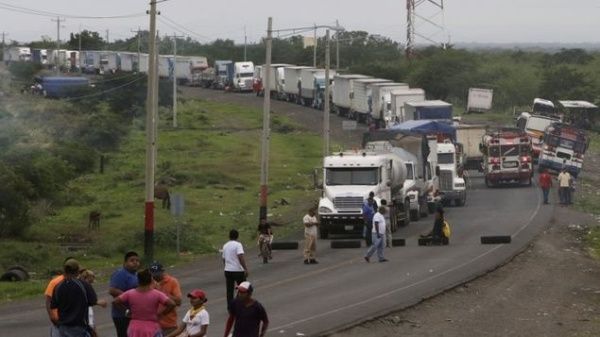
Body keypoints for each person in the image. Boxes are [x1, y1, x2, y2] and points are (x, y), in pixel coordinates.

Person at [113, 269, 176, 337]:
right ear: (151, 280)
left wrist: (126, 311)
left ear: (138, 280)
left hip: (134, 328)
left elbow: (115, 302)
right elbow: (172, 304)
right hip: (151, 327)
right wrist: (161, 314)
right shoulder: (157, 294)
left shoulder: (130, 293)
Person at [51, 259, 98, 337]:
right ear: (77, 271)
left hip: (63, 328)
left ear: (65, 271)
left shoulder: (58, 287)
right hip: (79, 328)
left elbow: (53, 305)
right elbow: (93, 301)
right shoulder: (83, 285)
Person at [109, 251, 141, 337]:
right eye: (132, 260)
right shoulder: (121, 274)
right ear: (125, 262)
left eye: (137, 261)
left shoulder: (136, 274)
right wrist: (129, 296)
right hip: (122, 314)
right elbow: (112, 290)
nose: (135, 263)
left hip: (133, 313)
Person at [150, 261, 183, 336]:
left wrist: (162, 293)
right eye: (152, 274)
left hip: (169, 324)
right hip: (152, 325)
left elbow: (178, 301)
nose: (155, 276)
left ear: (162, 271)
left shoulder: (172, 281)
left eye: (157, 274)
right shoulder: (148, 283)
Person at [45, 257, 74, 337]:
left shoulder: (77, 282)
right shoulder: (55, 282)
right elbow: (48, 300)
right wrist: (52, 317)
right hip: (58, 321)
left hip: (73, 322)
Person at [222, 229, 249, 307]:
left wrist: (226, 266)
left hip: (228, 270)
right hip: (237, 270)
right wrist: (245, 268)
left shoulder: (225, 245)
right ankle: (240, 304)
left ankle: (230, 307)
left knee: (229, 290)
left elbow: (223, 258)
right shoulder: (238, 245)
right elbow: (240, 256)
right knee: (243, 288)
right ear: (237, 236)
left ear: (229, 236)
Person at [79, 269, 108, 337]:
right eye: (92, 278)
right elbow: (90, 300)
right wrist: (99, 302)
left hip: (85, 312)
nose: (93, 280)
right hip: (86, 312)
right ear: (87, 277)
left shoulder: (80, 285)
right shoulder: (85, 286)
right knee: (91, 327)